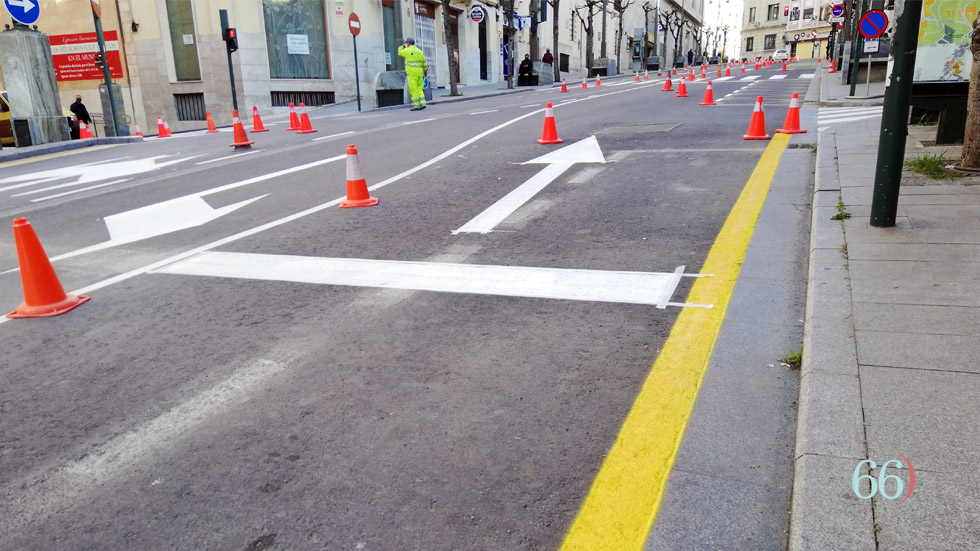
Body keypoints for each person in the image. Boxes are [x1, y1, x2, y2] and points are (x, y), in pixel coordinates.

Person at [398, 38, 428, 111]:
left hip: (412, 73)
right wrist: (425, 71)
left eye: (406, 43)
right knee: (420, 88)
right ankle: (423, 103)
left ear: (408, 43)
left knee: (413, 89)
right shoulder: (420, 51)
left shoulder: (407, 50)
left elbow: (400, 52)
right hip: (420, 73)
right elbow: (424, 64)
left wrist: (402, 46)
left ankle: (416, 105)